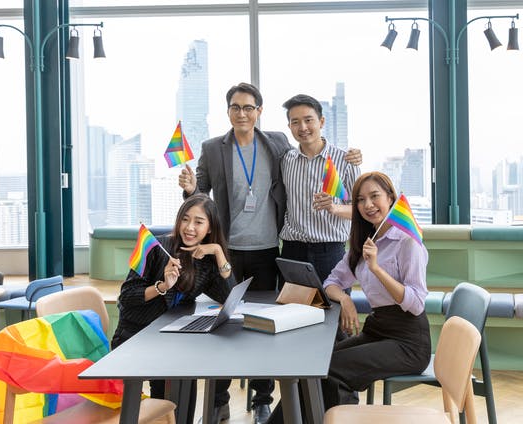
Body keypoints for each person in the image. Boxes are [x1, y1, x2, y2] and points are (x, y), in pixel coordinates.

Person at [178, 83, 361, 423]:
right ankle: (219, 399)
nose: (242, 113)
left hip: (269, 251)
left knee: (267, 327)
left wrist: (352, 162)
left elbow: (356, 195)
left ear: (259, 112)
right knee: (226, 325)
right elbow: (199, 192)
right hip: (228, 252)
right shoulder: (215, 148)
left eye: (249, 107)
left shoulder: (277, 144)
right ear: (228, 111)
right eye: (236, 107)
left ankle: (268, 397)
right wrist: (190, 188)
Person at [111, 194, 235, 424]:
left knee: (184, 375)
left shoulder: (205, 259)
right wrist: (162, 286)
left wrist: (218, 251)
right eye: (185, 219)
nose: (189, 228)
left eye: (198, 222)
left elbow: (229, 298)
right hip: (136, 337)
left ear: (209, 228)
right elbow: (127, 297)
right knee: (177, 375)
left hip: (170, 337)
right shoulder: (157, 247)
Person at [321, 171, 431, 409]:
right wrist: (345, 300)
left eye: (374, 196)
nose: (367, 205)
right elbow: (330, 283)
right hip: (378, 330)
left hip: (408, 341)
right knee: (317, 364)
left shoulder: (407, 241)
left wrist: (377, 268)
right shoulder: (364, 241)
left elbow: (416, 303)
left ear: (390, 197)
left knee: (332, 370)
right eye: (360, 199)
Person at [279, 93, 360, 283]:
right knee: (290, 310)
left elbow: (359, 210)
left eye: (308, 120)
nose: (303, 128)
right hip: (292, 251)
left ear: (321, 121)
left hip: (330, 251)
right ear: (289, 126)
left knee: (332, 310)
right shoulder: (285, 160)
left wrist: (334, 207)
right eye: (295, 122)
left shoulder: (345, 160)